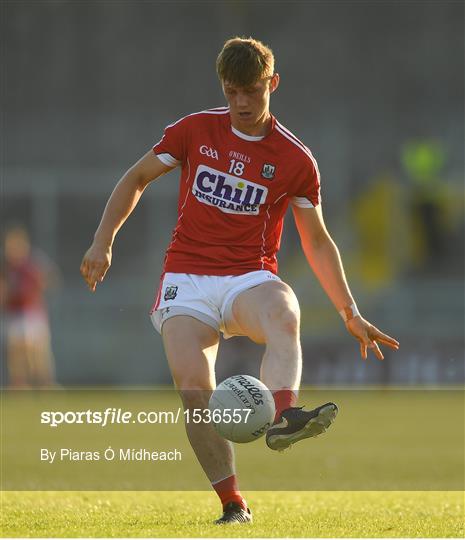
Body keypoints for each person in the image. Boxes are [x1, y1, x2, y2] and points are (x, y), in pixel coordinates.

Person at [80, 37, 399, 524]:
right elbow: (136, 177)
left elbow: (316, 240)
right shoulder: (195, 130)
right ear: (223, 88)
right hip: (185, 279)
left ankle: (286, 416)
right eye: (232, 92)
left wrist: (349, 311)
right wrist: (102, 241)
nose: (242, 103)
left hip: (248, 277)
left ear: (273, 84)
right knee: (193, 388)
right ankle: (233, 504)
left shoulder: (295, 159)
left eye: (252, 90)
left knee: (284, 309)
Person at [2, 225, 58, 387]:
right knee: (16, 355)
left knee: (38, 354)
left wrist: (36, 289)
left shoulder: (33, 263)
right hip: (14, 314)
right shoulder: (5, 267)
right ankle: (19, 386)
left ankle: (45, 385)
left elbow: (50, 279)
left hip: (32, 312)